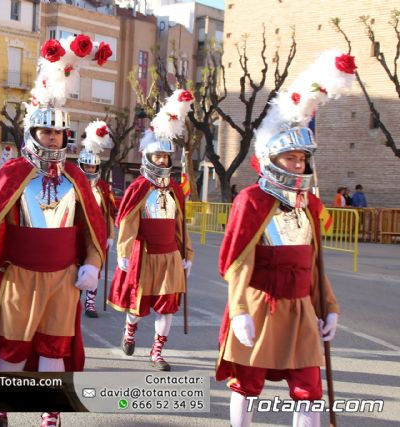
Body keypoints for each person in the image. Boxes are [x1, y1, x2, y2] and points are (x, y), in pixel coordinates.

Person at [0, 35, 109, 427]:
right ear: (32, 134)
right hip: (18, 277)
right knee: (11, 348)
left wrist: (94, 265)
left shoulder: (77, 177)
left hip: (63, 278)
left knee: (54, 347)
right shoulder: (14, 173)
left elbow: (94, 229)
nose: (53, 139)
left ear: (67, 136)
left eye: (59, 134)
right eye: (46, 133)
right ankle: (1, 406)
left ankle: (51, 410)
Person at [216, 50, 351, 427]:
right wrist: (240, 310)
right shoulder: (252, 200)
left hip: (302, 308)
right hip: (261, 305)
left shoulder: (309, 203)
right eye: (290, 158)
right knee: (246, 383)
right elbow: (236, 262)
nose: (298, 165)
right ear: (273, 159)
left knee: (309, 388)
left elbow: (315, 264)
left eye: (302, 159)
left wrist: (330, 306)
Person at [108, 89, 194, 372]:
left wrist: (187, 254)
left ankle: (157, 351)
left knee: (167, 306)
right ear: (148, 157)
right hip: (143, 255)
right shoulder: (139, 188)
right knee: (137, 306)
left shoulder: (175, 190)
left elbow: (180, 226)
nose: (162, 162)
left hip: (169, 255)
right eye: (158, 157)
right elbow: (128, 221)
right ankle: (129, 331)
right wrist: (123, 251)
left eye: (166, 158)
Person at [77, 120, 115, 318]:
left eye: (93, 167)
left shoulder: (102, 187)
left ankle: (90, 303)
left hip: (97, 234)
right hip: (76, 232)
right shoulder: (73, 183)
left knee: (95, 268)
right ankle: (74, 299)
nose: (90, 170)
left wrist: (110, 234)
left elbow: (108, 211)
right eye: (87, 167)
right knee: (75, 266)